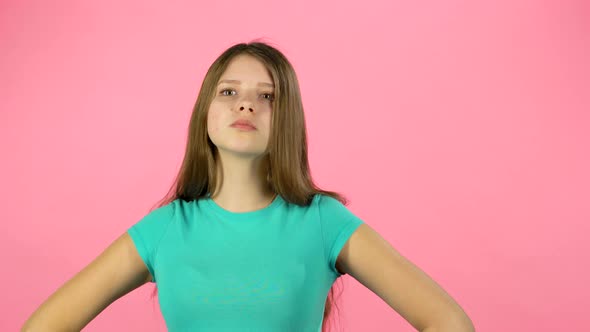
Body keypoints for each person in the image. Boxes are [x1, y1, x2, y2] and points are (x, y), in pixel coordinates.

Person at [22, 41, 475, 332]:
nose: (246, 103)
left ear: (287, 120)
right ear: (205, 113)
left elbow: (450, 322)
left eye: (267, 96)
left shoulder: (323, 221)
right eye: (228, 91)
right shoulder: (163, 230)